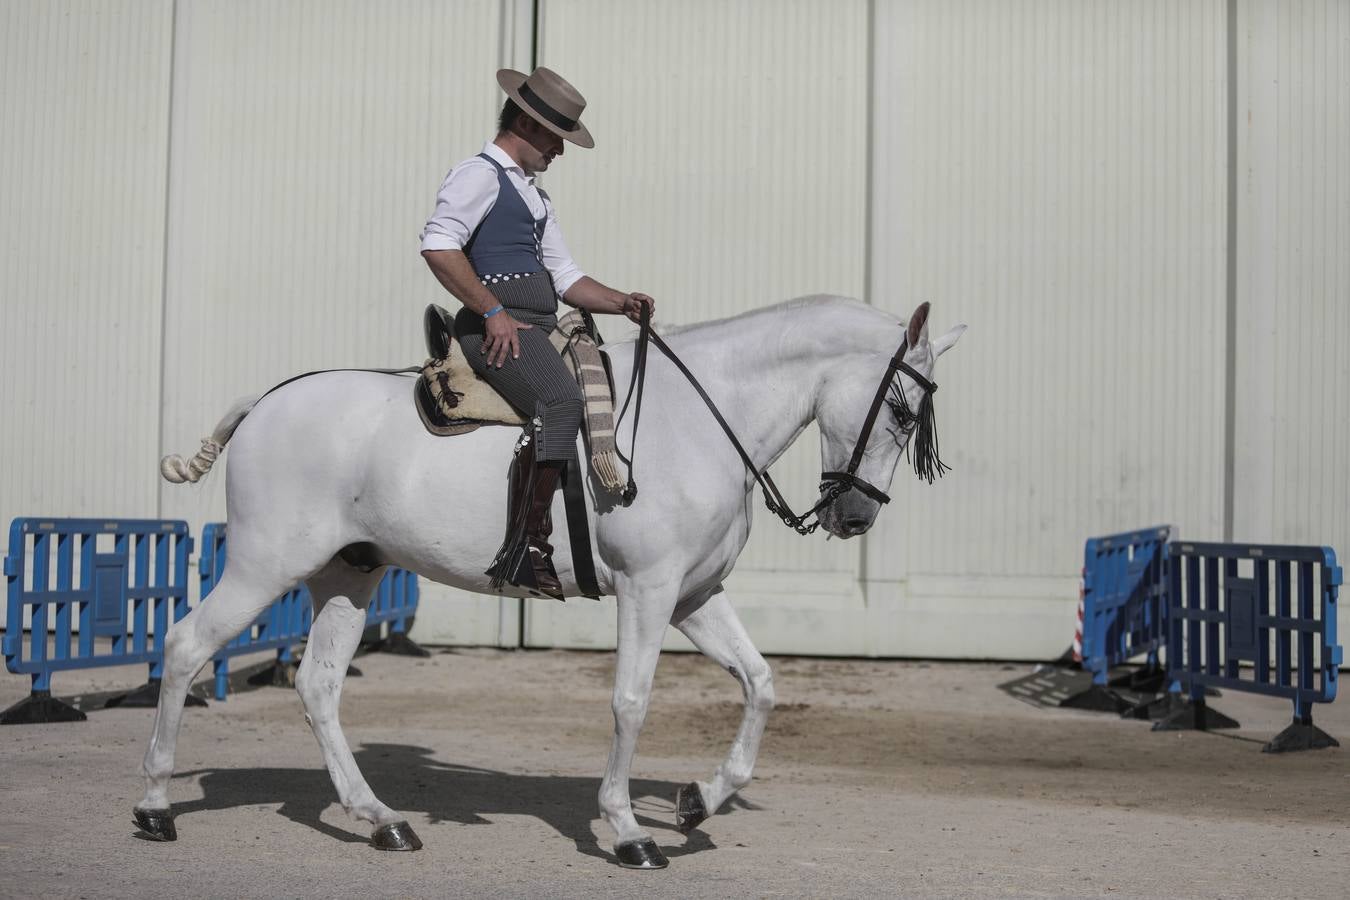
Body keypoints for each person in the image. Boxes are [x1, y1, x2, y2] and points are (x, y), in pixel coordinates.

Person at [420, 66, 654, 600]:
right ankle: (525, 547)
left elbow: (567, 279)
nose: (561, 152)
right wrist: (493, 309)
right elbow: (438, 246)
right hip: (494, 332)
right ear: (526, 123)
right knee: (560, 398)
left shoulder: (535, 197)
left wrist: (622, 301)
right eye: (557, 138)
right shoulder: (477, 175)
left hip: (538, 326)